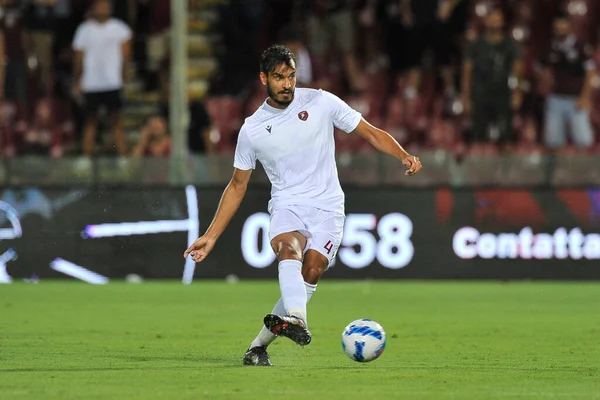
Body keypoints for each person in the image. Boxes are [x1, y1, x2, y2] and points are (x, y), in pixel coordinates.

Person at [183, 45, 422, 366]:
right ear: (264, 78)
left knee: (311, 270)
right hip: (287, 205)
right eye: (279, 77)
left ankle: (257, 348)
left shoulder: (321, 101)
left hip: (328, 207)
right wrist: (211, 235)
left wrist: (403, 154)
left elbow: (370, 133)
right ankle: (298, 318)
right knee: (287, 249)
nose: (287, 83)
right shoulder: (252, 129)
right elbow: (237, 186)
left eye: (291, 75)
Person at [72, 0, 132, 156]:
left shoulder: (120, 28)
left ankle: (122, 157)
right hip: (91, 83)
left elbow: (126, 56)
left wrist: (123, 77)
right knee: (90, 122)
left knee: (116, 121)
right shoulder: (84, 30)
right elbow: (78, 57)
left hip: (112, 82)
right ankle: (86, 157)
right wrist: (78, 79)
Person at [461, 8, 522, 148]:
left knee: (506, 137)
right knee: (478, 137)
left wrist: (517, 91)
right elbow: (467, 71)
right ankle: (479, 168)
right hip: (480, 95)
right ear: (486, 21)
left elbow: (517, 70)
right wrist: (465, 96)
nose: (495, 21)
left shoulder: (509, 45)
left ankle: (508, 169)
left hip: (503, 95)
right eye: (492, 18)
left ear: (503, 22)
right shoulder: (476, 45)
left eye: (498, 18)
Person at [536, 13, 595, 149]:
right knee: (553, 141)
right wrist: (546, 82)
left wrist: (585, 97)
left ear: (569, 26)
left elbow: (590, 72)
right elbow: (538, 68)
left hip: (576, 99)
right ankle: (556, 170)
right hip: (555, 98)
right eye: (558, 25)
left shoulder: (580, 46)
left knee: (584, 140)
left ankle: (585, 170)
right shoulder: (549, 47)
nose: (561, 28)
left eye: (563, 24)